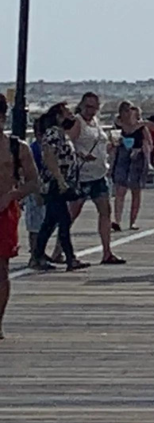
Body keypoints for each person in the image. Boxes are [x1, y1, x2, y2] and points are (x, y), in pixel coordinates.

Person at [1, 98, 42, 337]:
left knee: (1, 268)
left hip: (5, 210)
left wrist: (12, 195)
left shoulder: (17, 148)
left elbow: (34, 181)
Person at [31, 103, 87, 272]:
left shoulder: (62, 134)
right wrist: (60, 179)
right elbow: (49, 155)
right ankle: (70, 258)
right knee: (63, 221)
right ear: (58, 116)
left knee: (50, 222)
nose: (72, 115)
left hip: (60, 183)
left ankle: (37, 255)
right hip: (56, 184)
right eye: (68, 113)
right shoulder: (54, 133)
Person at [67, 93, 121, 265]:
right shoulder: (78, 122)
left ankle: (107, 252)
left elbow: (99, 142)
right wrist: (81, 154)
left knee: (105, 211)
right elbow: (67, 144)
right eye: (88, 107)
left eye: (94, 107)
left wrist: (109, 147)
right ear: (81, 105)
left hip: (99, 173)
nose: (91, 111)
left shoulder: (96, 122)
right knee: (72, 214)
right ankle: (59, 250)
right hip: (83, 176)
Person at [110, 101, 151, 232]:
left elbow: (149, 142)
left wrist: (141, 150)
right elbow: (112, 141)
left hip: (137, 159)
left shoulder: (141, 127)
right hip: (122, 157)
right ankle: (117, 220)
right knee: (120, 191)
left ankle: (132, 221)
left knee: (136, 191)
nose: (129, 113)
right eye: (127, 111)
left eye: (131, 110)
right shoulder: (118, 125)